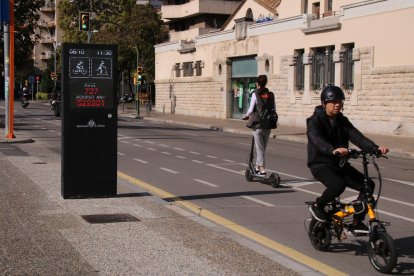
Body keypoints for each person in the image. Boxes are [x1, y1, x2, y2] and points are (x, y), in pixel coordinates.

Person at [306, 85, 389, 233]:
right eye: (333, 102)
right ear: (324, 103)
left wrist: (375, 148)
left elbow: (358, 137)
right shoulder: (314, 121)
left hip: (339, 163)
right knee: (337, 185)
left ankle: (357, 221)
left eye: (340, 102)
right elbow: (316, 140)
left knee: (368, 185)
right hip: (320, 164)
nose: (337, 105)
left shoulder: (342, 121)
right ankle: (318, 205)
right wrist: (333, 150)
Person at [242, 75, 276, 175]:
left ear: (257, 83)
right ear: (266, 83)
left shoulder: (255, 94)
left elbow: (251, 108)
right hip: (269, 124)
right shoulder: (270, 94)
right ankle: (257, 166)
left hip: (258, 125)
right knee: (262, 148)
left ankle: (261, 167)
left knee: (259, 148)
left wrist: (245, 116)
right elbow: (274, 108)